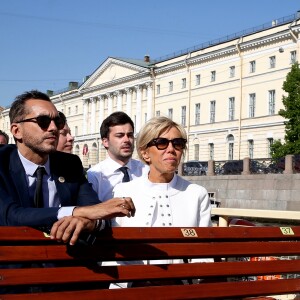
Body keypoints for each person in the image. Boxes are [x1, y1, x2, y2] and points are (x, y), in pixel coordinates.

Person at [0, 90, 135, 246]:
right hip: (13, 264)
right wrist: (76, 211)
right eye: (43, 121)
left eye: (57, 122)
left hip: (66, 263)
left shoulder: (69, 164)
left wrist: (88, 222)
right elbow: (10, 215)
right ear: (17, 131)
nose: (53, 128)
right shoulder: (2, 162)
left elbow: (98, 213)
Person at [108, 116, 212, 288]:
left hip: (180, 287)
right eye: (162, 143)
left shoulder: (196, 194)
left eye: (177, 143)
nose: (171, 149)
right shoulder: (123, 191)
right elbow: (114, 253)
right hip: (133, 286)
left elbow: (204, 252)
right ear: (145, 153)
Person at [87, 111, 148, 201]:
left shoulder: (145, 170)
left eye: (130, 135)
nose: (127, 140)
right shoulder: (95, 175)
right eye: (120, 136)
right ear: (105, 142)